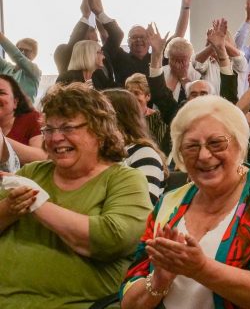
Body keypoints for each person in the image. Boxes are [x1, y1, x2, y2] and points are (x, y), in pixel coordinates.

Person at [119, 95, 250, 308]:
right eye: (191, 146)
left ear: (238, 144)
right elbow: (128, 301)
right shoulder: (168, 203)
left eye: (216, 143)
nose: (204, 155)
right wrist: (158, 281)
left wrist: (202, 269)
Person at [0, 83, 152, 308]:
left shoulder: (124, 180)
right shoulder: (32, 172)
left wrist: (38, 202)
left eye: (68, 128)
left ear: (99, 131)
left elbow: (113, 239)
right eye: (49, 130)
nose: (55, 138)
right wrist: (8, 210)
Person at [84, 0, 194, 86]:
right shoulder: (120, 56)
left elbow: (179, 35)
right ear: (127, 41)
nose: (138, 40)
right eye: (134, 37)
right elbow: (105, 34)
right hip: (126, 103)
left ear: (150, 40)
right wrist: (98, 10)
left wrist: (185, 7)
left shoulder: (157, 56)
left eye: (142, 37)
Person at [103, 88, 168, 205]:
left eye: (100, 116)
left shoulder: (144, 153)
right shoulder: (103, 152)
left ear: (115, 118)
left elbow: (143, 207)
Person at [125, 73, 170, 155]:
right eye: (129, 93)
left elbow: (159, 147)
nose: (132, 97)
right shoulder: (122, 118)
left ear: (148, 96)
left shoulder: (158, 117)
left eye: (136, 93)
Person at [0, 32, 42, 102]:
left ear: (34, 54)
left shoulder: (35, 71)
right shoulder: (6, 67)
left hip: (23, 112)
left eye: (27, 51)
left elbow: (18, 56)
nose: (22, 53)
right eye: (19, 49)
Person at [162, 37, 201, 103]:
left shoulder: (196, 71)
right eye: (175, 60)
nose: (178, 65)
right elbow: (162, 99)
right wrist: (174, 75)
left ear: (189, 59)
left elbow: (197, 98)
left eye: (182, 60)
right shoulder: (162, 71)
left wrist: (183, 77)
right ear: (169, 58)